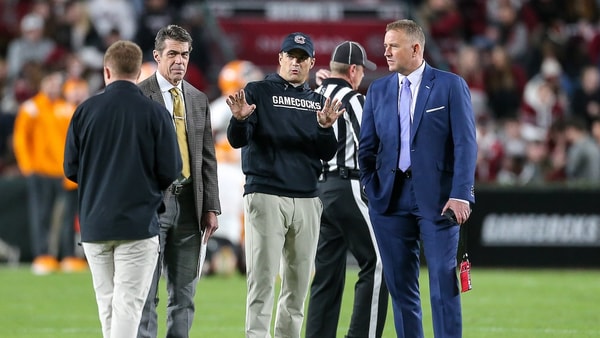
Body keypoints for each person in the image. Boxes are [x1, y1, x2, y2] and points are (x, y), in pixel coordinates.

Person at [358, 19, 477, 338]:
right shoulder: (379, 89)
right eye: (384, 45)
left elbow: (466, 142)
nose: (385, 52)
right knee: (401, 290)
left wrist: (462, 193)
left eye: (392, 45)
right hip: (389, 199)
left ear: (416, 48)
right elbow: (367, 146)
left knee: (442, 283)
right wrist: (369, 185)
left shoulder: (450, 85)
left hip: (440, 199)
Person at [225, 32, 344, 338]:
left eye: (302, 58)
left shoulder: (318, 102)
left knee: (298, 285)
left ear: (312, 63)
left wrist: (325, 129)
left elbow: (327, 152)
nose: (295, 62)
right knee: (262, 280)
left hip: (306, 197)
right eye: (290, 56)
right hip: (266, 193)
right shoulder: (258, 91)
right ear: (280, 58)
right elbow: (238, 140)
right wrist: (238, 121)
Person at [63, 40, 181, 338]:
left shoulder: (84, 111)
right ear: (140, 72)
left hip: (95, 223)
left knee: (108, 305)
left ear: (106, 71)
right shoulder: (156, 113)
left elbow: (71, 169)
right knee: (128, 306)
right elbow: (171, 170)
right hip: (138, 224)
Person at [137, 24, 221, 338]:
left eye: (185, 54)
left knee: (184, 294)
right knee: (147, 292)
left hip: (190, 204)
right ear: (157, 56)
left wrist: (211, 206)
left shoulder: (198, 99)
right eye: (172, 54)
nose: (179, 61)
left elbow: (207, 157)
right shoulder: (140, 95)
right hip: (152, 205)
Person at [305, 41, 388, 338]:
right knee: (379, 262)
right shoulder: (353, 99)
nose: (362, 76)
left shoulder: (313, 96)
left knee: (327, 274)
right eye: (362, 71)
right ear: (352, 70)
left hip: (319, 190)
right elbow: (373, 147)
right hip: (347, 186)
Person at [12, 70, 85, 274]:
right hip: (40, 171)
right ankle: (43, 256)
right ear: (42, 84)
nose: (54, 86)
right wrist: (27, 166)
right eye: (50, 82)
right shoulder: (32, 108)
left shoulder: (65, 108)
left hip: (63, 172)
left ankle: (68, 256)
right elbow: (20, 138)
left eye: (56, 83)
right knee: (41, 214)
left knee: (68, 217)